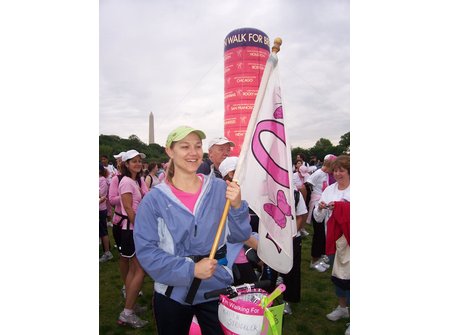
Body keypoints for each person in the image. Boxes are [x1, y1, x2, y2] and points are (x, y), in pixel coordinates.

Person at [134, 125, 251, 335]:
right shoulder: (154, 200)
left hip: (215, 289)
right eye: (184, 146)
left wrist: (237, 207)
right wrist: (191, 270)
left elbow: (241, 236)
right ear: (169, 151)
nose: (193, 152)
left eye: (197, 146)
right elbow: (147, 253)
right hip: (172, 293)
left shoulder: (220, 188)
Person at [313, 155, 350, 334]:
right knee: (338, 277)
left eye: (342, 170)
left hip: (351, 242)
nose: (337, 173)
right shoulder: (329, 190)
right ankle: (342, 308)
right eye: (335, 170)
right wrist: (320, 208)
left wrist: (343, 207)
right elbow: (317, 218)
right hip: (334, 241)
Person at [116, 149, 149, 328]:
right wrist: (141, 230)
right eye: (133, 161)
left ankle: (131, 305)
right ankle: (127, 313)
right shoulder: (127, 182)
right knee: (139, 271)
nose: (137, 163)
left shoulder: (134, 181)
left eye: (139, 160)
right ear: (126, 164)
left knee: (132, 271)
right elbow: (128, 209)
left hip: (132, 229)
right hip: (132, 230)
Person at [218, 156, 260, 286]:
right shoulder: (228, 197)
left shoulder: (236, 194)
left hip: (242, 255)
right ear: (231, 174)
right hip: (237, 259)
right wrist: (264, 250)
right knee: (249, 299)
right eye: (244, 170)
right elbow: (240, 235)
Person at [305, 154, 337, 272]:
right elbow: (308, 183)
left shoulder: (328, 175)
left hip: (325, 205)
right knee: (318, 234)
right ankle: (314, 260)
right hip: (318, 205)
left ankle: (321, 257)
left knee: (324, 233)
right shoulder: (318, 173)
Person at [99, 163, 113, 262]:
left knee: (103, 231)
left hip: (100, 208)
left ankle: (107, 252)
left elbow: (102, 195)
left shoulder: (102, 180)